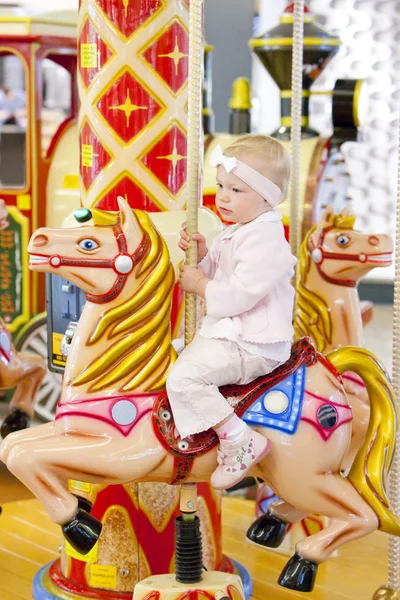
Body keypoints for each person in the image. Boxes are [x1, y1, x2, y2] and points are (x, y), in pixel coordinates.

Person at [166, 135, 297, 490]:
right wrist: (204, 255)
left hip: (253, 341)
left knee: (184, 378)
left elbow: (240, 293)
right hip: (233, 333)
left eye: (237, 191)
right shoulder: (239, 230)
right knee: (168, 357)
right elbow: (223, 271)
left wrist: (199, 285)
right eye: (222, 186)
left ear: (266, 197)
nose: (223, 196)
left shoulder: (266, 238)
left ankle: (239, 439)